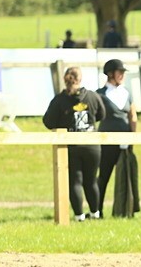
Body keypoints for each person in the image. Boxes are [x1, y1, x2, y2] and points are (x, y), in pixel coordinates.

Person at [42, 66, 106, 220]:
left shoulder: (59, 100)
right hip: (92, 145)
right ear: (80, 79)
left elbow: (48, 121)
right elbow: (102, 114)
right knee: (91, 181)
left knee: (75, 181)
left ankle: (79, 215)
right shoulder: (92, 96)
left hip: (70, 146)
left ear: (65, 80)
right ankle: (95, 213)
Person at [96, 59, 139, 216]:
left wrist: (133, 138)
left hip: (125, 142)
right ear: (110, 74)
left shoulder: (127, 93)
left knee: (126, 177)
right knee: (104, 177)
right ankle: (97, 209)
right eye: (119, 72)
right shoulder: (100, 94)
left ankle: (126, 210)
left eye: (123, 72)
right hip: (107, 142)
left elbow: (132, 115)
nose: (122, 75)